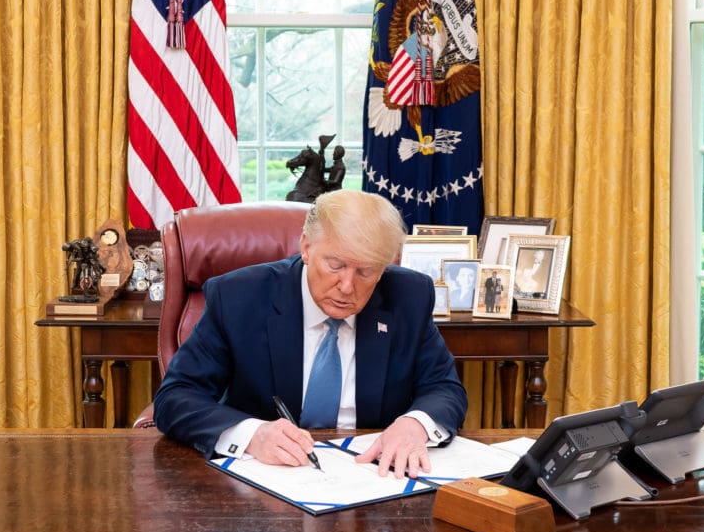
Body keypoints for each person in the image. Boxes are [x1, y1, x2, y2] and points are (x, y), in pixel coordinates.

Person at [154, 189, 468, 479]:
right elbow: (176, 398)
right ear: (306, 247)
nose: (347, 286)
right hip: (266, 483)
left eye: (365, 271)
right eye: (335, 265)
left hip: (375, 478)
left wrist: (416, 425)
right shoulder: (238, 297)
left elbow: (444, 388)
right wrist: (252, 435)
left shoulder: (408, 296)